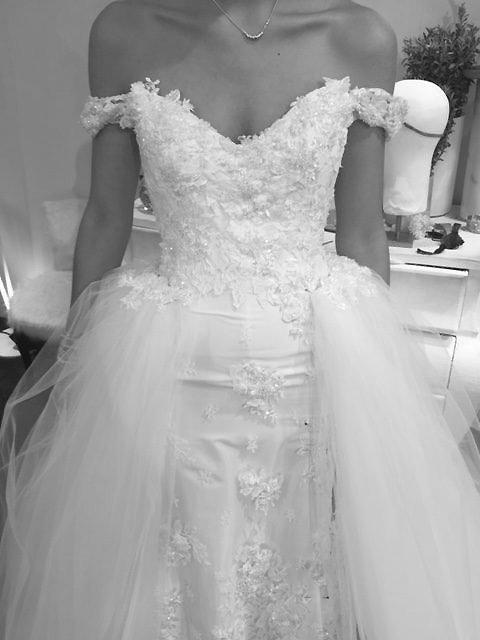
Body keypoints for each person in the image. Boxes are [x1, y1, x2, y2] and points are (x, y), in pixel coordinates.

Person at [1, 0, 480, 638]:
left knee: (303, 563)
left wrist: (375, 391)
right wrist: (78, 368)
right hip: (166, 367)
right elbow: (107, 216)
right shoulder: (124, 31)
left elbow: (363, 231)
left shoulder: (358, 37)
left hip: (310, 361)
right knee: (163, 572)